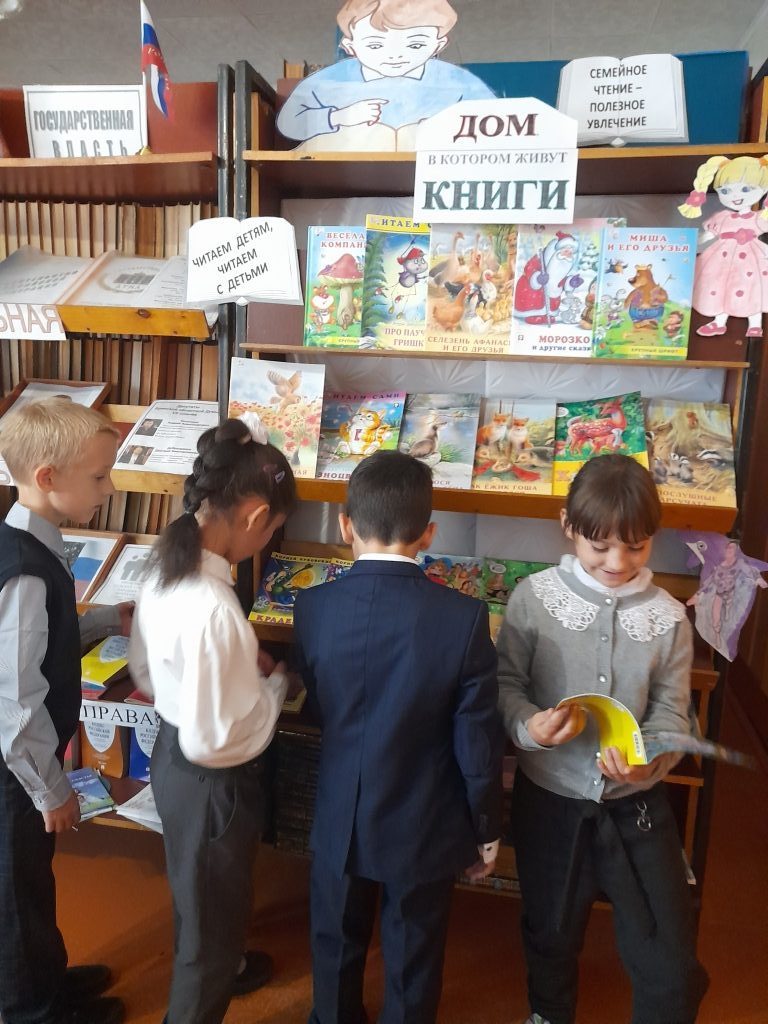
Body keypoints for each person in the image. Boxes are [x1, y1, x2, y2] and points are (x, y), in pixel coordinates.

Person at [497, 453, 709, 1024]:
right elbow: (506, 685)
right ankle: (548, 1013)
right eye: (600, 546)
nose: (617, 562)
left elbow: (673, 714)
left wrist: (649, 762)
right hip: (550, 799)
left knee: (668, 948)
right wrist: (530, 727)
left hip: (636, 804)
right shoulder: (533, 598)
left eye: (635, 547)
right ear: (568, 526)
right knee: (550, 926)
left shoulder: (668, 618)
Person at [293, 449, 503, 1024]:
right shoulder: (464, 618)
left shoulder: (312, 607)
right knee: (413, 954)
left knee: (334, 941)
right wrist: (485, 827)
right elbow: (477, 742)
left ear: (345, 526)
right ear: (429, 533)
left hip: (340, 808)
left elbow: (318, 700)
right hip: (423, 817)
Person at [128, 414, 296, 1024]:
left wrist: (231, 673)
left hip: (173, 758)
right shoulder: (216, 608)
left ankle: (219, 954)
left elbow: (146, 667)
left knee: (197, 897)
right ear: (255, 516)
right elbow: (221, 739)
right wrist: (274, 687)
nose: (265, 539)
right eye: (271, 530)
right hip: (212, 782)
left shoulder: (166, 563)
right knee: (209, 939)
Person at [0, 398, 132, 1024]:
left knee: (33, 882)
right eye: (99, 477)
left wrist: (104, 619)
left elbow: (44, 636)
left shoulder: (32, 542)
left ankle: (46, 982)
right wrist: (51, 790)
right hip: (15, 773)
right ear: (48, 477)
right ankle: (31, 1010)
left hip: (22, 764)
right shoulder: (24, 571)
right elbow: (14, 701)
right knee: (16, 894)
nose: (109, 490)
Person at [276, 0, 495, 150]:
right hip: (343, 178)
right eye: (375, 45)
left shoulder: (459, 83)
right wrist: (339, 117)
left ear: (438, 45)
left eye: (415, 45)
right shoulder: (326, 82)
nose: (395, 55)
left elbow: (497, 126)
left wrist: (449, 126)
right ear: (351, 47)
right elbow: (288, 123)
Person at [678, 154, 768, 337]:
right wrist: (690, 241)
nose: (735, 196)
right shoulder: (722, 217)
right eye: (725, 191)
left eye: (745, 189)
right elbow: (707, 235)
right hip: (721, 257)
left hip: (750, 260)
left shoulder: (758, 218)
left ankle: (755, 323)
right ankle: (719, 322)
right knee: (719, 287)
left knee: (752, 289)